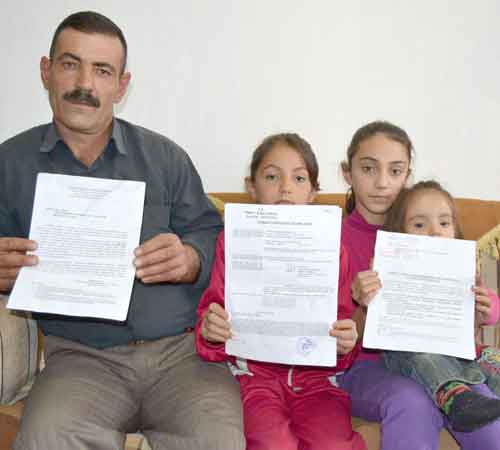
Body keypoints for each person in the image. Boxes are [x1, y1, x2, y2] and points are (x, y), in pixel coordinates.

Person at [0, 11, 244, 450]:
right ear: (46, 71)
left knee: (218, 439)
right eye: (70, 64)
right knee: (45, 438)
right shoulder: (9, 164)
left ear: (121, 85)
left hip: (183, 359)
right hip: (79, 361)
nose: (84, 84)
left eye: (102, 70)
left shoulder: (165, 158)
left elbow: (212, 234)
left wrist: (190, 258)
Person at [195, 133, 366, 450]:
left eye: (299, 178)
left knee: (334, 445)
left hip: (316, 382)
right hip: (252, 378)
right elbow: (211, 317)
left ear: (313, 192)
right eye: (272, 176)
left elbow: (342, 326)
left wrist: (345, 343)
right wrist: (211, 330)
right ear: (252, 186)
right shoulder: (232, 241)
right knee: (272, 443)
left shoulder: (332, 250)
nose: (286, 187)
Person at [339, 120, 500, 450]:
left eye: (395, 171)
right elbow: (333, 340)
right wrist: (362, 306)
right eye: (369, 169)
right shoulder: (335, 238)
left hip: (450, 363)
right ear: (348, 173)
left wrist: (483, 309)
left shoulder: (430, 233)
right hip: (368, 367)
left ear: (407, 175)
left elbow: (479, 302)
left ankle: (462, 395)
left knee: (487, 418)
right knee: (412, 402)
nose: (382, 182)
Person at [378, 180, 500, 432]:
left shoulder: (465, 272)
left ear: (455, 230)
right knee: (424, 356)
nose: (435, 232)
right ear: (400, 233)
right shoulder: (392, 273)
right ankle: (458, 400)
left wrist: (486, 309)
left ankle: (481, 395)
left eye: (444, 223)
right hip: (414, 355)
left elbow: (491, 308)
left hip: (464, 353)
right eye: (419, 225)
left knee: (491, 356)